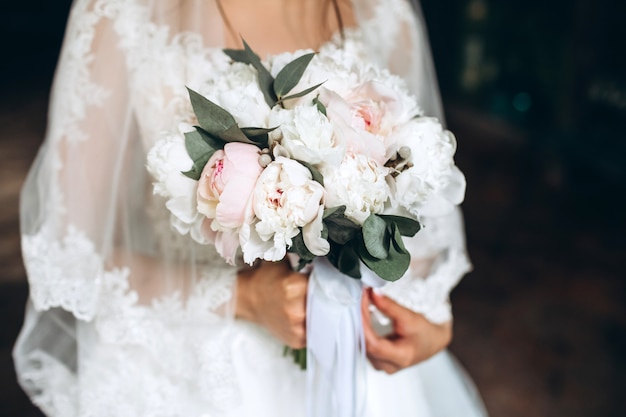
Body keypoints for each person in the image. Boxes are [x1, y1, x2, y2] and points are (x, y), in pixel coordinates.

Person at [14, 0, 488, 416]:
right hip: (196, 367)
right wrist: (241, 297)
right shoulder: (120, 15)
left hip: (357, 359)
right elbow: (68, 254)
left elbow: (421, 203)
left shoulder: (385, 13)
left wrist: (433, 324)